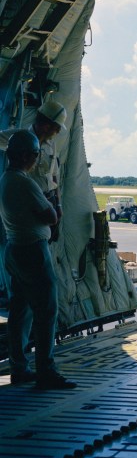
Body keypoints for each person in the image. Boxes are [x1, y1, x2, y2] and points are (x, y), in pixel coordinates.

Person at [1, 130, 74, 389]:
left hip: (14, 249)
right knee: (46, 311)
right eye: (33, 155)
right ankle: (46, 371)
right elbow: (51, 218)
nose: (35, 160)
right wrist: (55, 205)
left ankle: (19, 368)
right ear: (23, 156)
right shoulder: (25, 183)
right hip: (32, 251)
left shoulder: (5, 180)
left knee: (20, 311)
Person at [0, 98, 67, 243]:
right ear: (46, 126)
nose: (58, 131)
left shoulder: (51, 145)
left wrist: (59, 204)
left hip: (48, 200)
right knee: (30, 238)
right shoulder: (19, 137)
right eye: (57, 127)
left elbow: (54, 177)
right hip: (29, 201)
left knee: (46, 238)